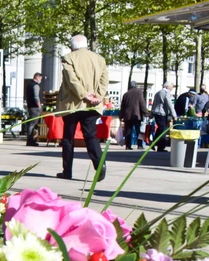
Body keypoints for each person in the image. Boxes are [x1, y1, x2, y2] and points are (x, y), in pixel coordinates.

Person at [56, 34, 108, 181]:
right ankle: (99, 164)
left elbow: (72, 80)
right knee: (91, 136)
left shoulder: (68, 58)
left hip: (72, 105)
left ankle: (67, 171)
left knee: (68, 138)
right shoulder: (99, 59)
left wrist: (84, 95)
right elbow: (104, 80)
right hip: (92, 106)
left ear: (72, 46)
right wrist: (98, 96)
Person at [119, 80, 147, 150]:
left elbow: (123, 106)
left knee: (128, 131)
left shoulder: (126, 94)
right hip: (137, 115)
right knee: (139, 131)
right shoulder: (139, 92)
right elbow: (142, 104)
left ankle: (128, 145)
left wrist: (121, 116)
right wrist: (146, 113)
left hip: (127, 115)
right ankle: (139, 145)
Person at [151, 82, 177, 152]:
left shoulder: (158, 92)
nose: (172, 88)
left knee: (160, 129)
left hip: (156, 113)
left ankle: (153, 143)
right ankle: (161, 147)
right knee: (163, 130)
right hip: (162, 113)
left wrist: (152, 113)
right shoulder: (166, 93)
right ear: (168, 87)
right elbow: (169, 105)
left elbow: (154, 103)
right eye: (172, 87)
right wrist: (174, 115)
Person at [25, 72, 43, 146]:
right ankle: (30, 140)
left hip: (30, 106)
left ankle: (30, 139)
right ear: (37, 77)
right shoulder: (35, 86)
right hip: (35, 107)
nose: (40, 80)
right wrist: (39, 106)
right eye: (40, 78)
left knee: (31, 123)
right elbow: (36, 96)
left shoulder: (28, 85)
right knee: (33, 124)